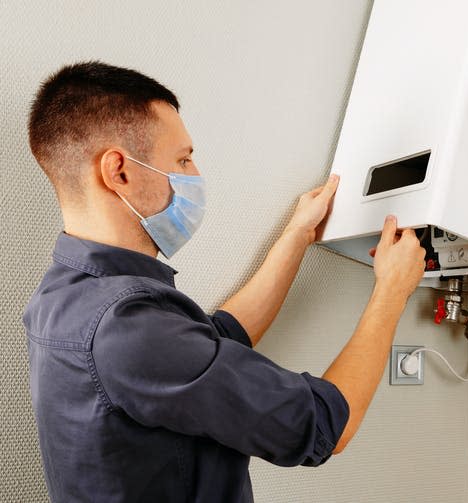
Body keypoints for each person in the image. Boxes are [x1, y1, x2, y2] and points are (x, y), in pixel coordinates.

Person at [23, 61, 426, 502]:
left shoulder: (64, 295)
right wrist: (391, 291)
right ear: (119, 171)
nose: (193, 175)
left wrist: (296, 238)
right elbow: (325, 425)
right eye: (183, 159)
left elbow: (215, 343)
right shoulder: (126, 328)